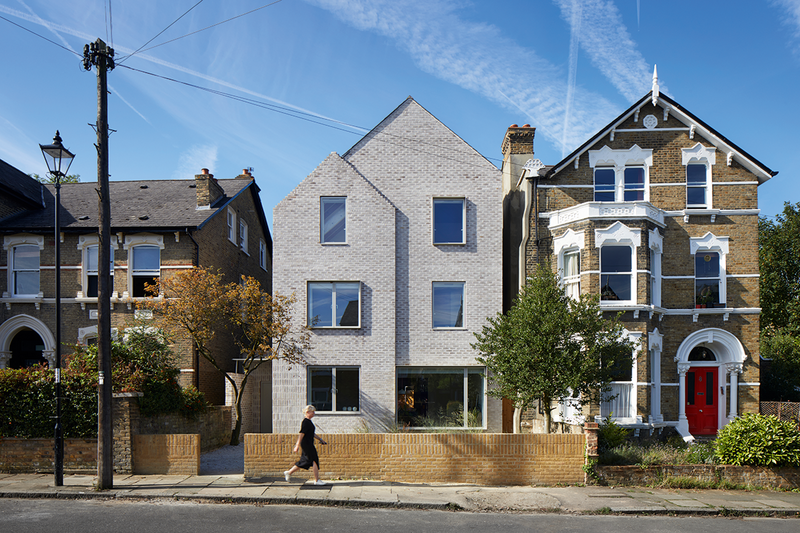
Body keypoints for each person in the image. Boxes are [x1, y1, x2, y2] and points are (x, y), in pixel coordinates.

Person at [284, 405, 327, 485]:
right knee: (314, 460)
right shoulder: (305, 422)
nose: (314, 413)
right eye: (312, 411)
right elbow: (301, 434)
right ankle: (317, 481)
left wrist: (320, 439)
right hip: (307, 444)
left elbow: (312, 433)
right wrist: (297, 445)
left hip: (309, 443)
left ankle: (289, 472)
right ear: (307, 412)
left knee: (306, 461)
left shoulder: (309, 422)